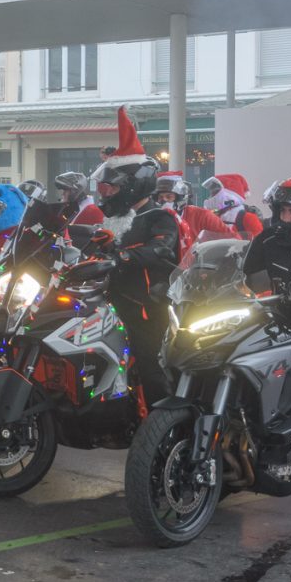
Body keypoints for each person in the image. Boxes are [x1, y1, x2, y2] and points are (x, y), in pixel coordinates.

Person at [93, 106, 181, 407]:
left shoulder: (160, 216)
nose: (108, 192)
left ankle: (162, 421)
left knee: (150, 365)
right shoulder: (118, 218)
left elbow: (160, 249)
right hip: (111, 303)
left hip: (146, 307)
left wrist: (121, 256)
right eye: (107, 186)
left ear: (134, 184)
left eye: (114, 186)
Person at [243, 178, 291, 329]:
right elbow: (245, 267)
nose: (286, 217)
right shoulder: (268, 239)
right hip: (276, 317)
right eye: (282, 210)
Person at [155, 174, 230, 240]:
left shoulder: (202, 216)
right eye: (160, 198)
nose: (164, 201)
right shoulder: (153, 218)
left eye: (169, 197)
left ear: (180, 198)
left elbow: (229, 238)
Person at [203, 173, 263, 238]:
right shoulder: (213, 217)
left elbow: (258, 242)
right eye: (211, 193)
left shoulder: (248, 218)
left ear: (228, 194)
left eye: (215, 192)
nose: (211, 197)